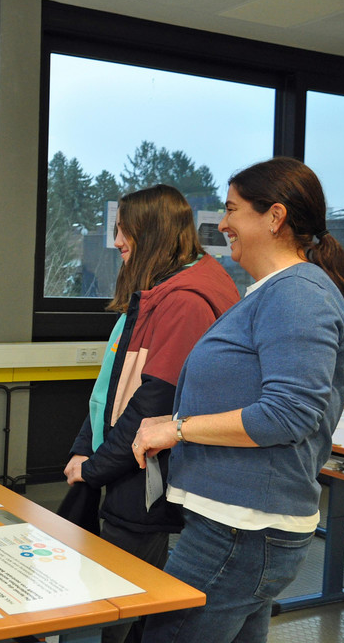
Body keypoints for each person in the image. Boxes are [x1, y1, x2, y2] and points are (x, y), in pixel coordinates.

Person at [134, 157, 344, 643]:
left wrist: (178, 428)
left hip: (242, 529)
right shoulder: (272, 292)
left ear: (274, 217)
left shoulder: (298, 295)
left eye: (232, 209)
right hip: (236, 525)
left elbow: (286, 415)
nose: (223, 223)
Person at [63, 184, 239, 643]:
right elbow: (110, 388)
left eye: (124, 231)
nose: (117, 241)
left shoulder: (184, 302)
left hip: (146, 480)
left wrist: (94, 469)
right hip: (127, 469)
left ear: (152, 233)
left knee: (122, 607)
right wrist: (84, 449)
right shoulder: (159, 293)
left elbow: (153, 405)